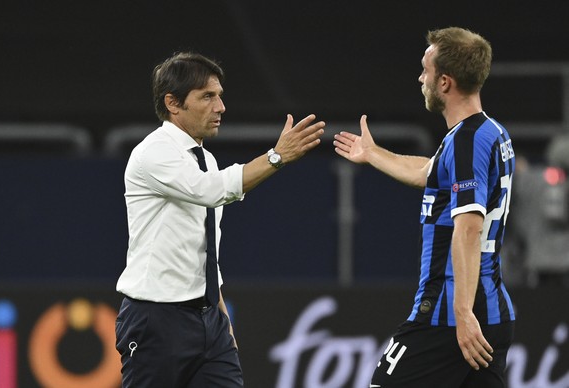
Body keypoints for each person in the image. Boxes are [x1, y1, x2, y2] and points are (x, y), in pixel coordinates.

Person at [115, 52, 325, 387]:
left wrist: (221, 319)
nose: (220, 107)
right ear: (173, 103)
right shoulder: (152, 153)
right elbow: (210, 190)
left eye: (220, 96)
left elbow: (205, 249)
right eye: (207, 97)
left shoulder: (206, 159)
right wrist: (276, 157)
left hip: (208, 321)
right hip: (156, 319)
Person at [334, 27, 515, 387]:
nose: (421, 78)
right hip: (491, 310)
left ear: (444, 82)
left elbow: (468, 227)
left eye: (425, 70)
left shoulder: (466, 142)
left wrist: (462, 314)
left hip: (449, 316)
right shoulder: (491, 133)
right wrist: (372, 154)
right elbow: (427, 172)